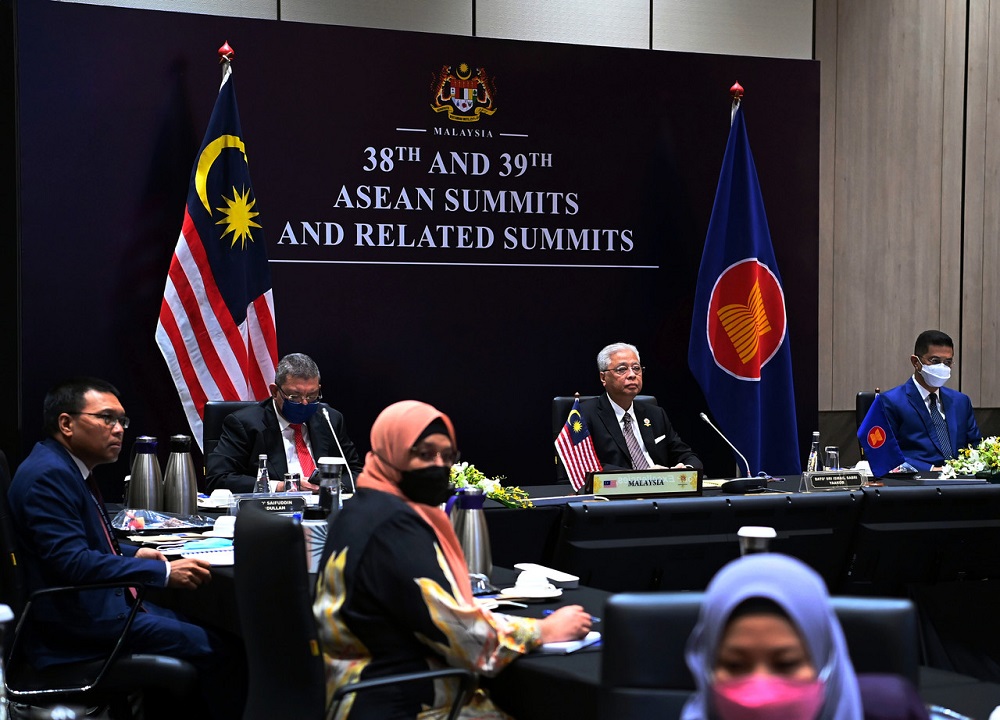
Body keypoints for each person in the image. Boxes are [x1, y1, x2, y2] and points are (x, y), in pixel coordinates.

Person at [313, 400, 592, 719]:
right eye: (424, 454)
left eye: (447, 456)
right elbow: (470, 641)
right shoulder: (394, 527)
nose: (438, 465)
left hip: (355, 694)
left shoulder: (360, 509)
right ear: (392, 450)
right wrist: (546, 630)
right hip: (403, 704)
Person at [7, 377, 244, 719]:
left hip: (99, 607)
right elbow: (74, 563)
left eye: (122, 421)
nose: (119, 429)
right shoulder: (49, 476)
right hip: (76, 626)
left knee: (218, 634)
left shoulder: (61, 465)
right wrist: (161, 572)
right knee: (223, 651)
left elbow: (84, 540)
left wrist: (135, 553)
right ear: (66, 423)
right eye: (107, 418)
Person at [682, 553, 928, 720]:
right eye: (735, 666)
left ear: (826, 661)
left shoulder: (893, 710)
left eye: (786, 664)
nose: (761, 691)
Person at [205, 352, 363, 493]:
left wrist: (332, 487)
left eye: (312, 395)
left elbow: (355, 472)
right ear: (274, 391)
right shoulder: (245, 424)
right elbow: (218, 478)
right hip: (271, 515)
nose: (305, 403)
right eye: (295, 396)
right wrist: (281, 486)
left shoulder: (330, 420)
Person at [579, 342, 702, 471]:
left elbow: (687, 455)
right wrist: (642, 478)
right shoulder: (585, 415)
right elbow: (585, 466)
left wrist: (686, 469)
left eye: (636, 368)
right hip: (617, 489)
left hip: (661, 487)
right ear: (603, 377)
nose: (632, 375)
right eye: (622, 369)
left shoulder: (655, 414)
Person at [880, 330, 981, 471]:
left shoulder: (961, 401)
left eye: (948, 362)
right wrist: (931, 469)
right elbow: (886, 452)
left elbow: (975, 446)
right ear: (916, 362)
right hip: (918, 484)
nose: (942, 367)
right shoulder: (890, 401)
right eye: (935, 361)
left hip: (961, 481)